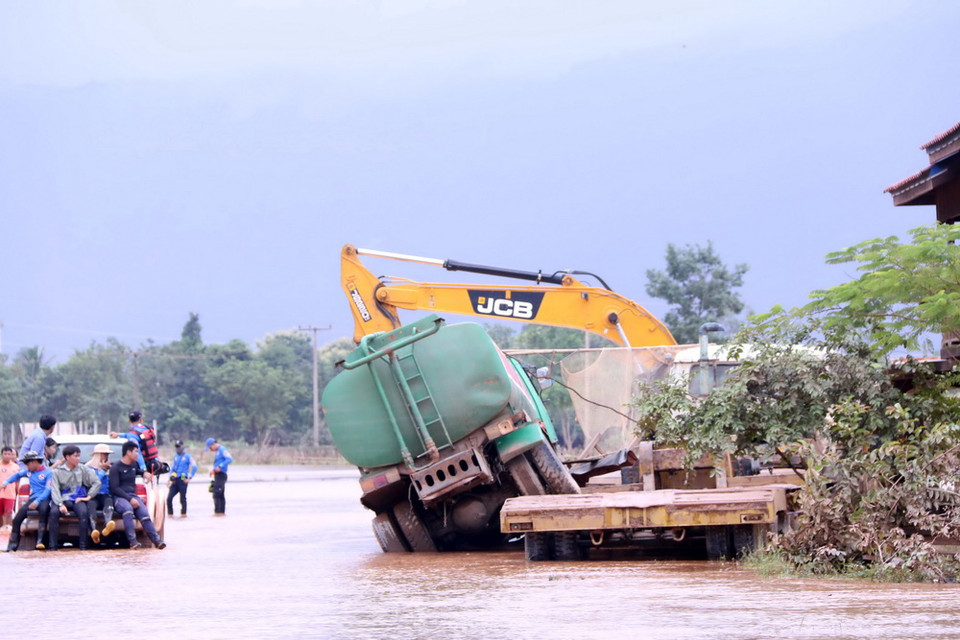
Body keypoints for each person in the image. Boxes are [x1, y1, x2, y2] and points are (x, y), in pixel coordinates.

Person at [110, 441, 165, 550]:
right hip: (120, 497)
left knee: (144, 514)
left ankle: (157, 541)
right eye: (136, 452)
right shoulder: (115, 467)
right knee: (128, 510)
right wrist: (130, 499)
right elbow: (114, 488)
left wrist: (144, 473)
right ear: (128, 452)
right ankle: (133, 541)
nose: (138, 455)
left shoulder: (134, 465)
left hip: (133, 496)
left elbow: (137, 471)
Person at [48, 444, 101, 551]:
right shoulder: (57, 472)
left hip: (78, 499)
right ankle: (52, 547)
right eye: (75, 456)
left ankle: (83, 546)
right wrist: (60, 504)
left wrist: (89, 496)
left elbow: (96, 482)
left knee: (83, 513)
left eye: (79, 456)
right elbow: (55, 489)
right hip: (62, 499)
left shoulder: (83, 469)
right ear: (67, 457)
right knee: (53, 513)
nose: (78, 458)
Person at [2, 451, 53, 552]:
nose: (26, 466)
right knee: (17, 519)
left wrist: (37, 501)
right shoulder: (29, 472)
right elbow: (16, 476)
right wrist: (6, 483)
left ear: (34, 462)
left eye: (27, 463)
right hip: (33, 498)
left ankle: (40, 541)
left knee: (43, 512)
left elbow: (48, 490)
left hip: (44, 498)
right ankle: (12, 546)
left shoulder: (48, 472)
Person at [110, 410, 159, 479]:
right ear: (141, 419)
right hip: (155, 463)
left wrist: (143, 469)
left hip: (144, 468)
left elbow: (137, 452)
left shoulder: (132, 435)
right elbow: (131, 435)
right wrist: (118, 435)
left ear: (129, 421)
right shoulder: (148, 429)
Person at [85, 444, 116, 545]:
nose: (106, 456)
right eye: (104, 454)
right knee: (91, 506)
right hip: (92, 494)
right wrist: (103, 470)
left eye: (107, 454)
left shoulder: (110, 467)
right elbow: (94, 482)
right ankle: (94, 529)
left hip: (104, 494)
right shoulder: (88, 468)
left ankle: (108, 524)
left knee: (108, 502)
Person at [167, 440, 197, 517]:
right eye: (176, 447)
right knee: (169, 498)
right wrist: (169, 479)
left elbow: (194, 467)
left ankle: (183, 515)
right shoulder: (175, 457)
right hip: (175, 478)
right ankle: (170, 515)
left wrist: (189, 477)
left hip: (183, 476)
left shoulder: (187, 456)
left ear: (182, 447)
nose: (178, 449)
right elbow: (173, 468)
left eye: (179, 447)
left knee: (182, 498)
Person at [206, 438, 233, 515]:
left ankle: (218, 513)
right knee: (220, 494)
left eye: (210, 447)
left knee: (216, 494)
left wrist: (220, 466)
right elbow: (218, 463)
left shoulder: (222, 450)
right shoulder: (218, 451)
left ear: (213, 444)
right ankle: (221, 513)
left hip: (221, 475)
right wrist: (213, 470)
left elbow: (229, 459)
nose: (210, 449)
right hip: (217, 475)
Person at [0, 446, 18, 529]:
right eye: (5, 454)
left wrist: (17, 492)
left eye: (9, 454)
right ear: (1, 455)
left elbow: (18, 482)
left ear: (12, 455)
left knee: (9, 513)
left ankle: (9, 531)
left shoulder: (15, 467)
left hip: (10, 494)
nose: (7, 456)